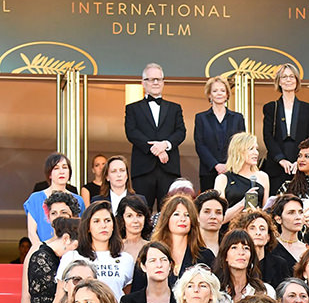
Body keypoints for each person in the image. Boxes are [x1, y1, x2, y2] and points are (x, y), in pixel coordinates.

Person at [124, 63, 186, 209]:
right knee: (141, 211)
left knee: (169, 212)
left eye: (159, 79)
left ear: (163, 82)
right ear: (143, 83)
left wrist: (165, 145)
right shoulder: (132, 108)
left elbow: (181, 132)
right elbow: (132, 132)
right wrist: (155, 149)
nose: (156, 83)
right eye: (151, 79)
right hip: (143, 169)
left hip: (168, 168)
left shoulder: (175, 108)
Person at [56, 202, 135, 300]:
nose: (103, 225)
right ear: (88, 227)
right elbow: (59, 297)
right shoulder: (71, 257)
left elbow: (128, 297)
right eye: (96, 221)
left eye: (107, 220)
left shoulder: (126, 259)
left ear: (113, 226)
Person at [141, 194, 214, 292]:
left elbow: (215, 291)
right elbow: (138, 293)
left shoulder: (205, 255)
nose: (182, 219)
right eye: (176, 214)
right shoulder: (150, 253)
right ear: (167, 219)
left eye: (187, 215)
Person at [261, 63, 309, 188]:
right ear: (279, 82)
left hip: (301, 167)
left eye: (292, 76)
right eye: (284, 77)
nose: (288, 80)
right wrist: (281, 159)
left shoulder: (307, 108)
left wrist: (300, 160)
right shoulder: (270, 107)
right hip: (276, 166)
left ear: (297, 81)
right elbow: (267, 136)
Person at [193, 75, 246, 192]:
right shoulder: (201, 118)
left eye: (222, 90)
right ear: (209, 95)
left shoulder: (237, 118)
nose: (219, 93)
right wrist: (216, 165)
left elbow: (241, 144)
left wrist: (229, 165)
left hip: (233, 170)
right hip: (209, 171)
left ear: (227, 94)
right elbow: (200, 145)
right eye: (215, 91)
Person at [24, 152, 85, 246]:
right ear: (49, 174)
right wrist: (41, 251)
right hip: (44, 251)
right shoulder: (36, 198)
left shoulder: (78, 200)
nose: (61, 171)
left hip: (71, 251)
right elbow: (32, 233)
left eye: (65, 167)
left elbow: (81, 231)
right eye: (56, 168)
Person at [213, 229, 273, 303]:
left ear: (251, 257)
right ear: (225, 255)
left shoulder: (265, 291)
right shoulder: (214, 292)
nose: (241, 252)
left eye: (246, 248)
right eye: (234, 247)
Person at [261, 194, 307, 286]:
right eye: (291, 212)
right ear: (278, 219)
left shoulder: (308, 249)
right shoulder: (269, 247)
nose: (298, 217)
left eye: (300, 212)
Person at [92, 155, 144, 220]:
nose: (119, 175)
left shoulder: (140, 200)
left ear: (127, 175)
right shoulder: (97, 201)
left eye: (122, 170)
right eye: (114, 171)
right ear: (107, 177)